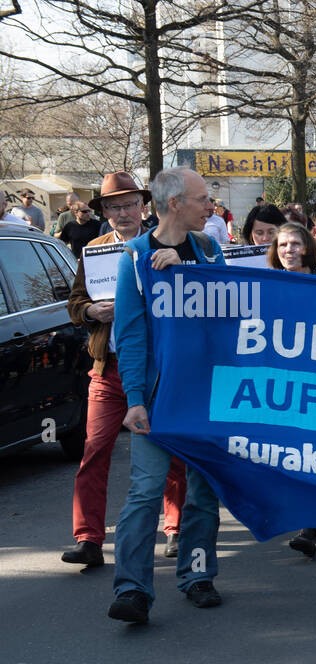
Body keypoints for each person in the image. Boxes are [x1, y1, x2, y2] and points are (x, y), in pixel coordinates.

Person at [107, 168, 228, 624]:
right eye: (202, 198)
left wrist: (189, 275)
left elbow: (232, 306)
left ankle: (197, 576)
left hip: (204, 396)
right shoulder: (134, 258)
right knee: (145, 491)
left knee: (201, 493)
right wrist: (134, 398)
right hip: (158, 398)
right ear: (175, 203)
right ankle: (133, 589)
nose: (209, 205)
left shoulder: (208, 249)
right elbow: (132, 334)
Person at [60, 172, 188, 570]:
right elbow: (76, 301)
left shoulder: (164, 244)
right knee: (95, 450)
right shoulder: (95, 250)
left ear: (144, 206)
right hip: (108, 366)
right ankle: (89, 539)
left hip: (156, 367)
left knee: (169, 449)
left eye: (129, 203)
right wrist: (90, 311)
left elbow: (196, 296)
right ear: (104, 212)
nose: (122, 212)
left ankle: (176, 528)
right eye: (113, 206)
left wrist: (179, 267)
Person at [265, 222, 316, 557]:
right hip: (282, 382)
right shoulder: (265, 285)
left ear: (307, 247)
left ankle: (310, 525)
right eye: (282, 245)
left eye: (294, 244)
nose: (288, 250)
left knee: (314, 450)